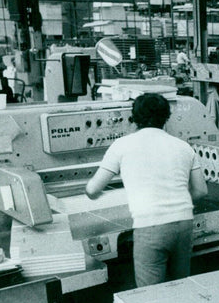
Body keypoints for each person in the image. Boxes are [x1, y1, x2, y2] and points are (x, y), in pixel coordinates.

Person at [85, 93, 208, 287]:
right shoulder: (184, 147)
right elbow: (201, 190)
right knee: (182, 288)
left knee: (150, 295)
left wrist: (99, 193)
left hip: (150, 226)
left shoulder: (121, 146)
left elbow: (92, 189)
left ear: (133, 118)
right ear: (167, 118)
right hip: (183, 224)